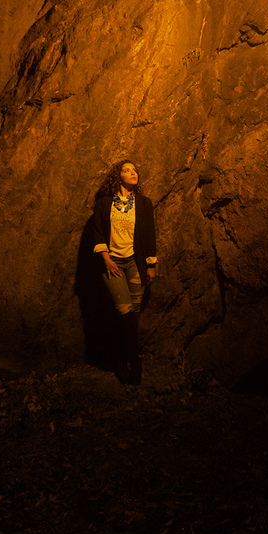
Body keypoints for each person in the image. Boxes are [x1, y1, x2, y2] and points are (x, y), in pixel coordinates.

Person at [89, 159, 157, 385]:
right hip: (113, 263)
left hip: (135, 263)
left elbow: (149, 234)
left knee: (133, 315)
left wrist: (151, 264)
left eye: (135, 170)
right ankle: (131, 361)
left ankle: (123, 359)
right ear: (118, 177)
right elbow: (97, 232)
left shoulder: (144, 203)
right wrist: (106, 259)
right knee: (124, 311)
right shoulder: (104, 204)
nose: (133, 173)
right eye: (127, 170)